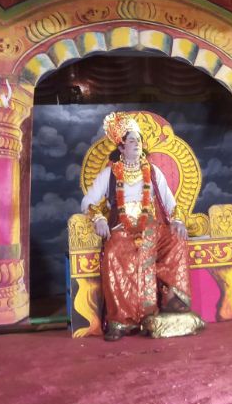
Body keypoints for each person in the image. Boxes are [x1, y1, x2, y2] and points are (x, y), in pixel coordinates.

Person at [81, 112, 199, 341]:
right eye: (132, 140)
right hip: (122, 229)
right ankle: (120, 321)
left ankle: (174, 305)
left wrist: (177, 221)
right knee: (113, 253)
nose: (137, 144)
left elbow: (170, 203)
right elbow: (88, 202)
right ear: (122, 147)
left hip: (151, 228)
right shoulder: (109, 174)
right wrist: (99, 219)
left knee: (175, 241)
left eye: (139, 140)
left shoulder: (153, 172)